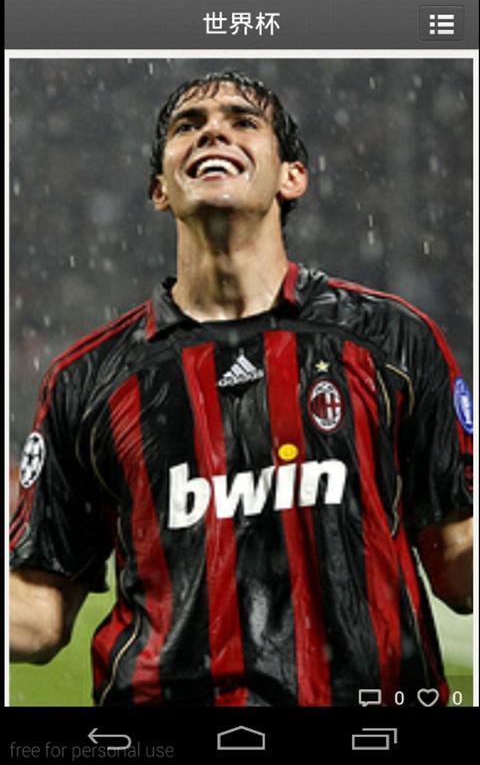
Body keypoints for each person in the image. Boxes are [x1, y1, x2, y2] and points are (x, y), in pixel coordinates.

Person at [10, 70, 473, 707]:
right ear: (159, 189)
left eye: (243, 121)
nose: (212, 132)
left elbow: (458, 565)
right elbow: (38, 614)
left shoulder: (391, 341)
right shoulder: (87, 379)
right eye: (188, 126)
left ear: (292, 177)